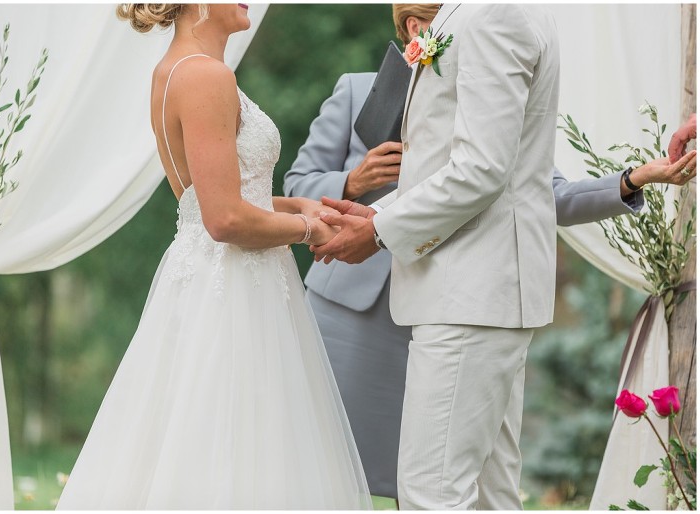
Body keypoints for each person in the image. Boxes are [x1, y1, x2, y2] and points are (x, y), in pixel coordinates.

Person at [284, 3, 698, 505]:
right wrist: (374, 217)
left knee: (432, 492)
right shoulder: (486, 14)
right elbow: (466, 169)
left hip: (468, 292)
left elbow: (482, 170)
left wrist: (379, 232)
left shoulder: (492, 15)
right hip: (467, 292)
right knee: (488, 494)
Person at [56, 4, 371, 509]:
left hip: (215, 278)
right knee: (238, 442)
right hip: (235, 289)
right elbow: (224, 220)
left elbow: (209, 199)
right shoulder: (207, 75)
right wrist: (310, 228)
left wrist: (302, 205)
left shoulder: (176, 69)